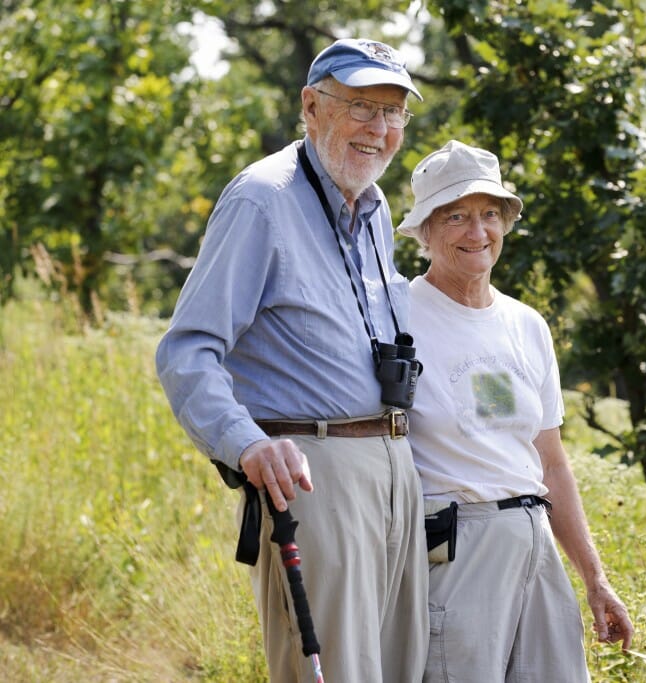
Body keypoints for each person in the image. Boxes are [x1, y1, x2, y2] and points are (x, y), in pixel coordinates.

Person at [155, 38, 428, 683]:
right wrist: (246, 444)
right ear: (311, 106)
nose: (379, 129)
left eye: (393, 113)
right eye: (361, 106)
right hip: (316, 474)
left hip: (394, 465)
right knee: (333, 673)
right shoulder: (262, 199)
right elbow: (187, 350)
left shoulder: (375, 205)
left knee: (401, 669)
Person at [395, 140, 635, 682]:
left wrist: (594, 578)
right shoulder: (397, 315)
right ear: (425, 231)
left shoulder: (526, 324)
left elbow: (550, 462)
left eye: (488, 215)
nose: (476, 233)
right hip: (454, 547)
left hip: (535, 540)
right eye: (455, 216)